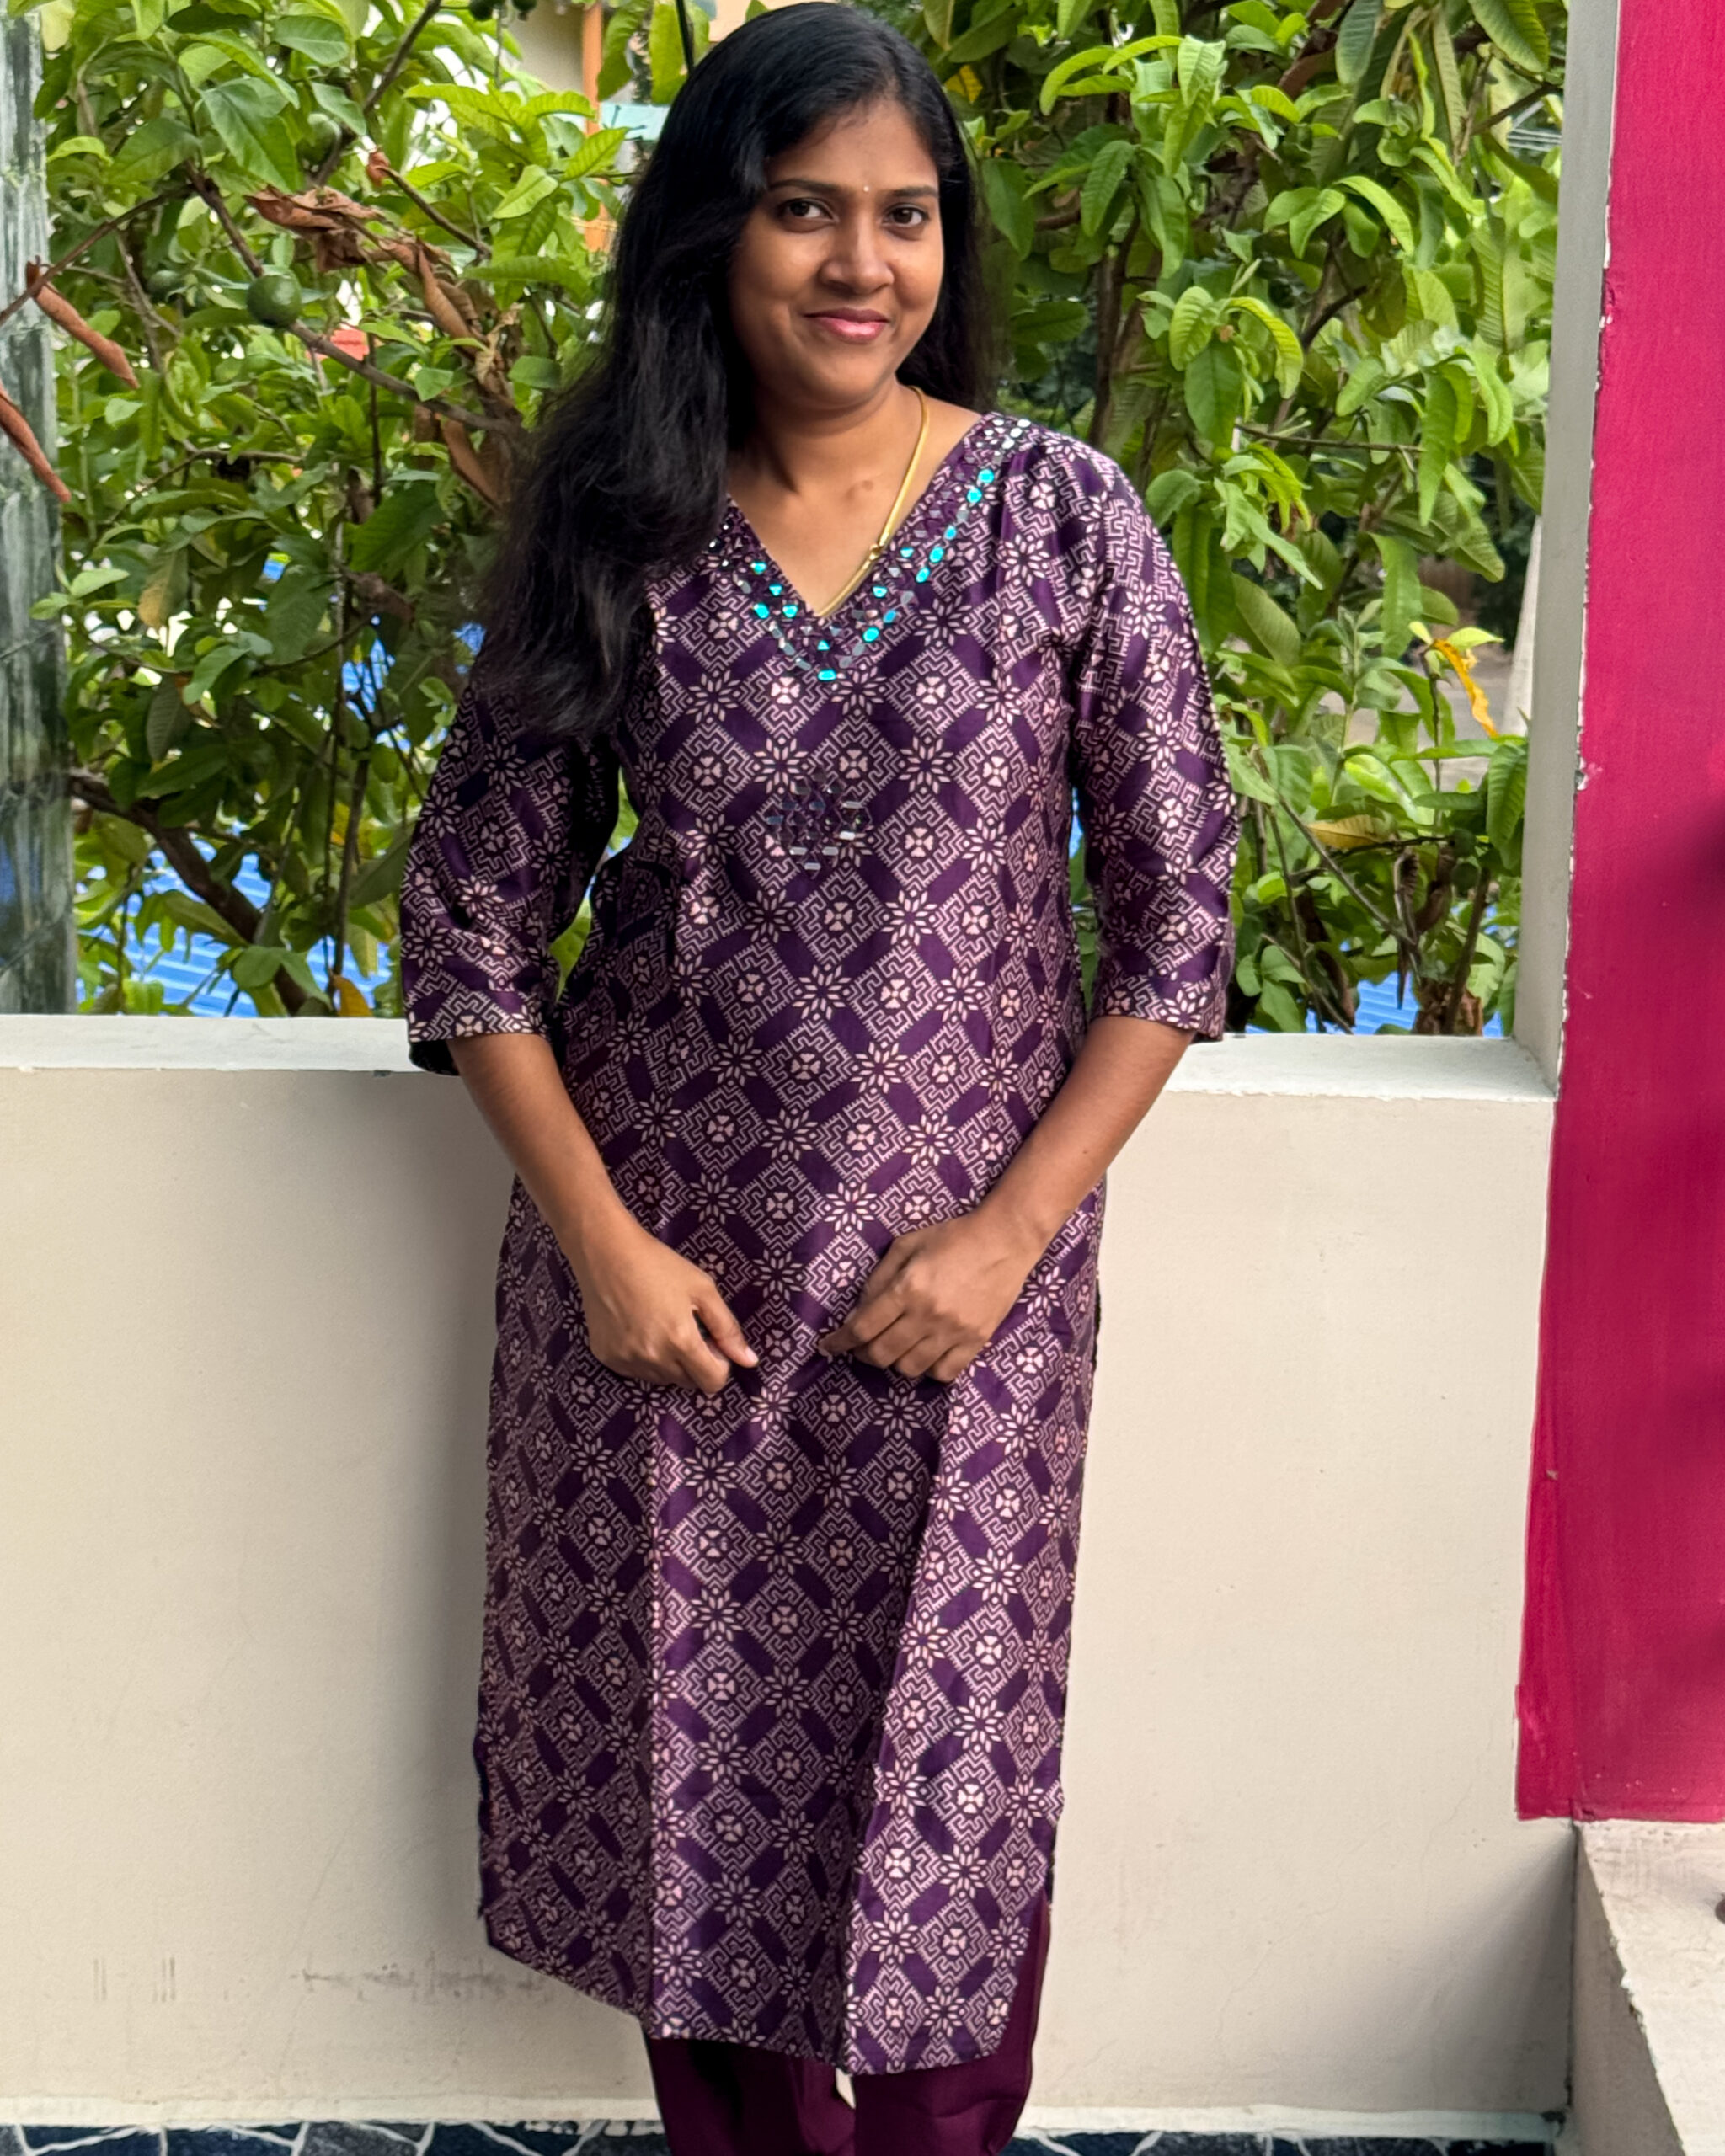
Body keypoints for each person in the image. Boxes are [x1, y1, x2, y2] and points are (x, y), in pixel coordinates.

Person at [399, 6, 1237, 2150]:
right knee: (687, 1803)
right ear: (716, 230)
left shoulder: (1061, 519)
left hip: (961, 1310)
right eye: (804, 211)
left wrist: (1006, 1240)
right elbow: (473, 924)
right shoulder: (622, 526)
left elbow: (1178, 926)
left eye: (904, 215)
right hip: (663, 1305)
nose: (862, 264)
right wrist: (602, 1249)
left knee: (955, 1808)